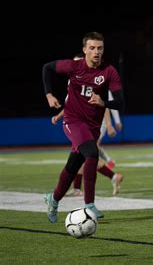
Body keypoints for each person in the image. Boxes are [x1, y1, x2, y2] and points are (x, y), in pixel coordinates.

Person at [43, 31, 125, 223]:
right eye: (92, 48)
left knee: (73, 166)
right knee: (92, 154)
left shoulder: (109, 71)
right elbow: (47, 68)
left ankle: (53, 199)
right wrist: (49, 94)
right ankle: (89, 204)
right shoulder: (74, 66)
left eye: (100, 48)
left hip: (92, 126)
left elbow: (121, 103)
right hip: (72, 121)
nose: (96, 52)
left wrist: (103, 102)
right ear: (84, 50)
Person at [51, 108, 124, 196]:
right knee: (83, 153)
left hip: (95, 122)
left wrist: (109, 124)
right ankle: (77, 188)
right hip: (84, 122)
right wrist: (58, 116)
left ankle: (113, 177)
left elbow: (104, 106)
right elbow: (70, 103)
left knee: (87, 154)